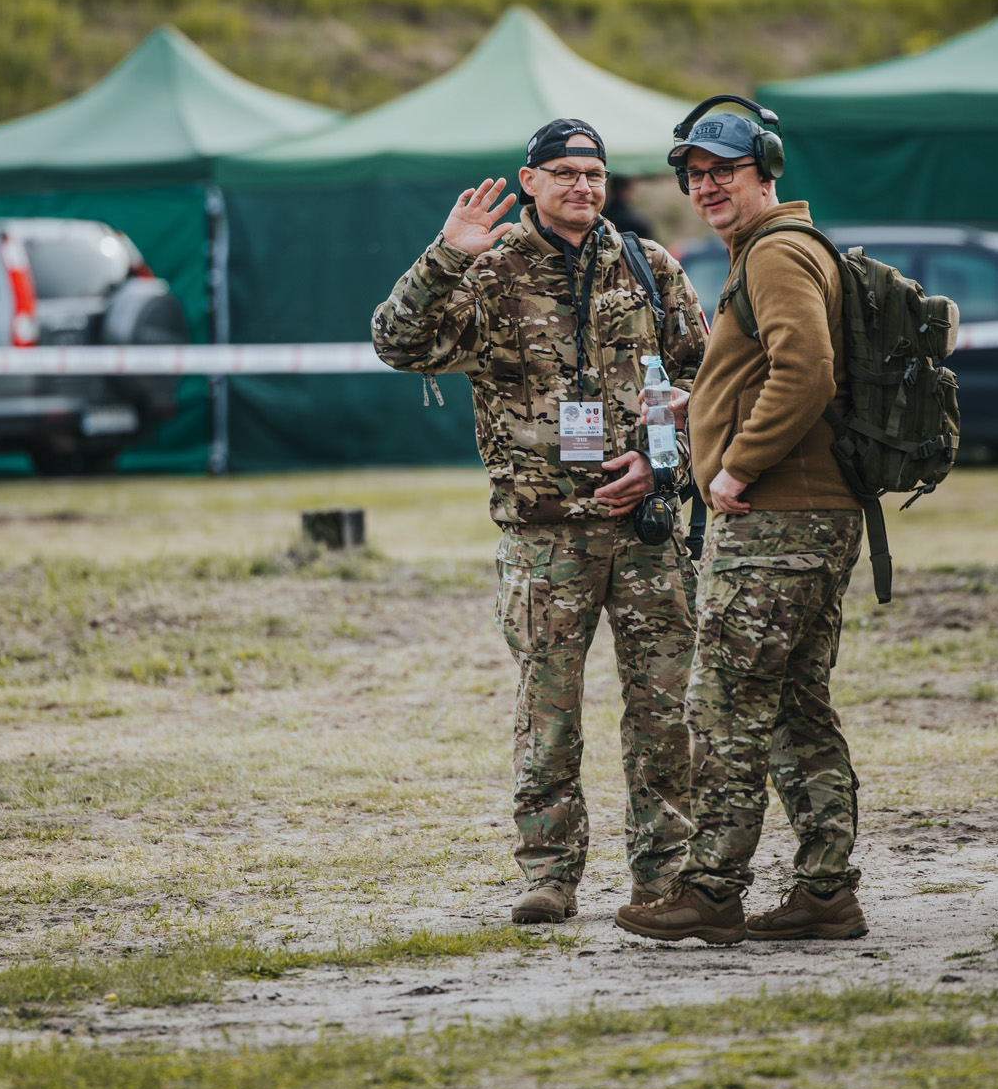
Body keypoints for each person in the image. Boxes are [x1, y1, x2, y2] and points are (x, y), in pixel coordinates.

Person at [371, 119, 710, 923]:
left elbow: (706, 378)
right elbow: (397, 341)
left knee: (665, 710)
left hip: (646, 531)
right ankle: (551, 873)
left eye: (593, 173)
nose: (583, 187)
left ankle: (664, 875)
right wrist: (446, 254)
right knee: (548, 711)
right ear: (530, 182)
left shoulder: (648, 264)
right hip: (546, 537)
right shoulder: (487, 273)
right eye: (564, 173)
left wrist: (668, 466)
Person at [615, 104, 868, 944]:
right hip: (806, 514)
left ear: (767, 168)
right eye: (693, 173)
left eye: (723, 168)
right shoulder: (768, 252)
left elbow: (808, 370)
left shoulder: (776, 254)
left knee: (725, 700)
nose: (706, 185)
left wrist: (736, 463)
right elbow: (775, 366)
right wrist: (706, 404)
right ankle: (826, 889)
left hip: (777, 518)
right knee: (796, 703)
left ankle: (712, 889)